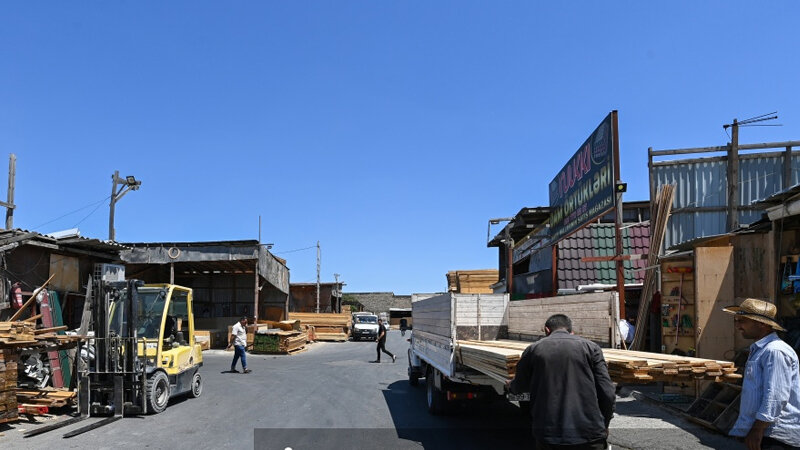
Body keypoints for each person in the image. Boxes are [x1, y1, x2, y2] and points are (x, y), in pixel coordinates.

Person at [508, 314, 615, 449]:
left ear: (546, 330)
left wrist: (510, 386)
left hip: (549, 435)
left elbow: (520, 388)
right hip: (589, 434)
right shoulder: (591, 348)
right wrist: (604, 424)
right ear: (572, 331)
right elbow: (608, 392)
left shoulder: (533, 350)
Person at [723, 298, 800, 449]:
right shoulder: (760, 349)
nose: (738, 325)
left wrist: (757, 429)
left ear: (762, 324)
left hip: (776, 436)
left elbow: (776, 396)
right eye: (736, 320)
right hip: (766, 434)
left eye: (742, 320)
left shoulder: (775, 351)